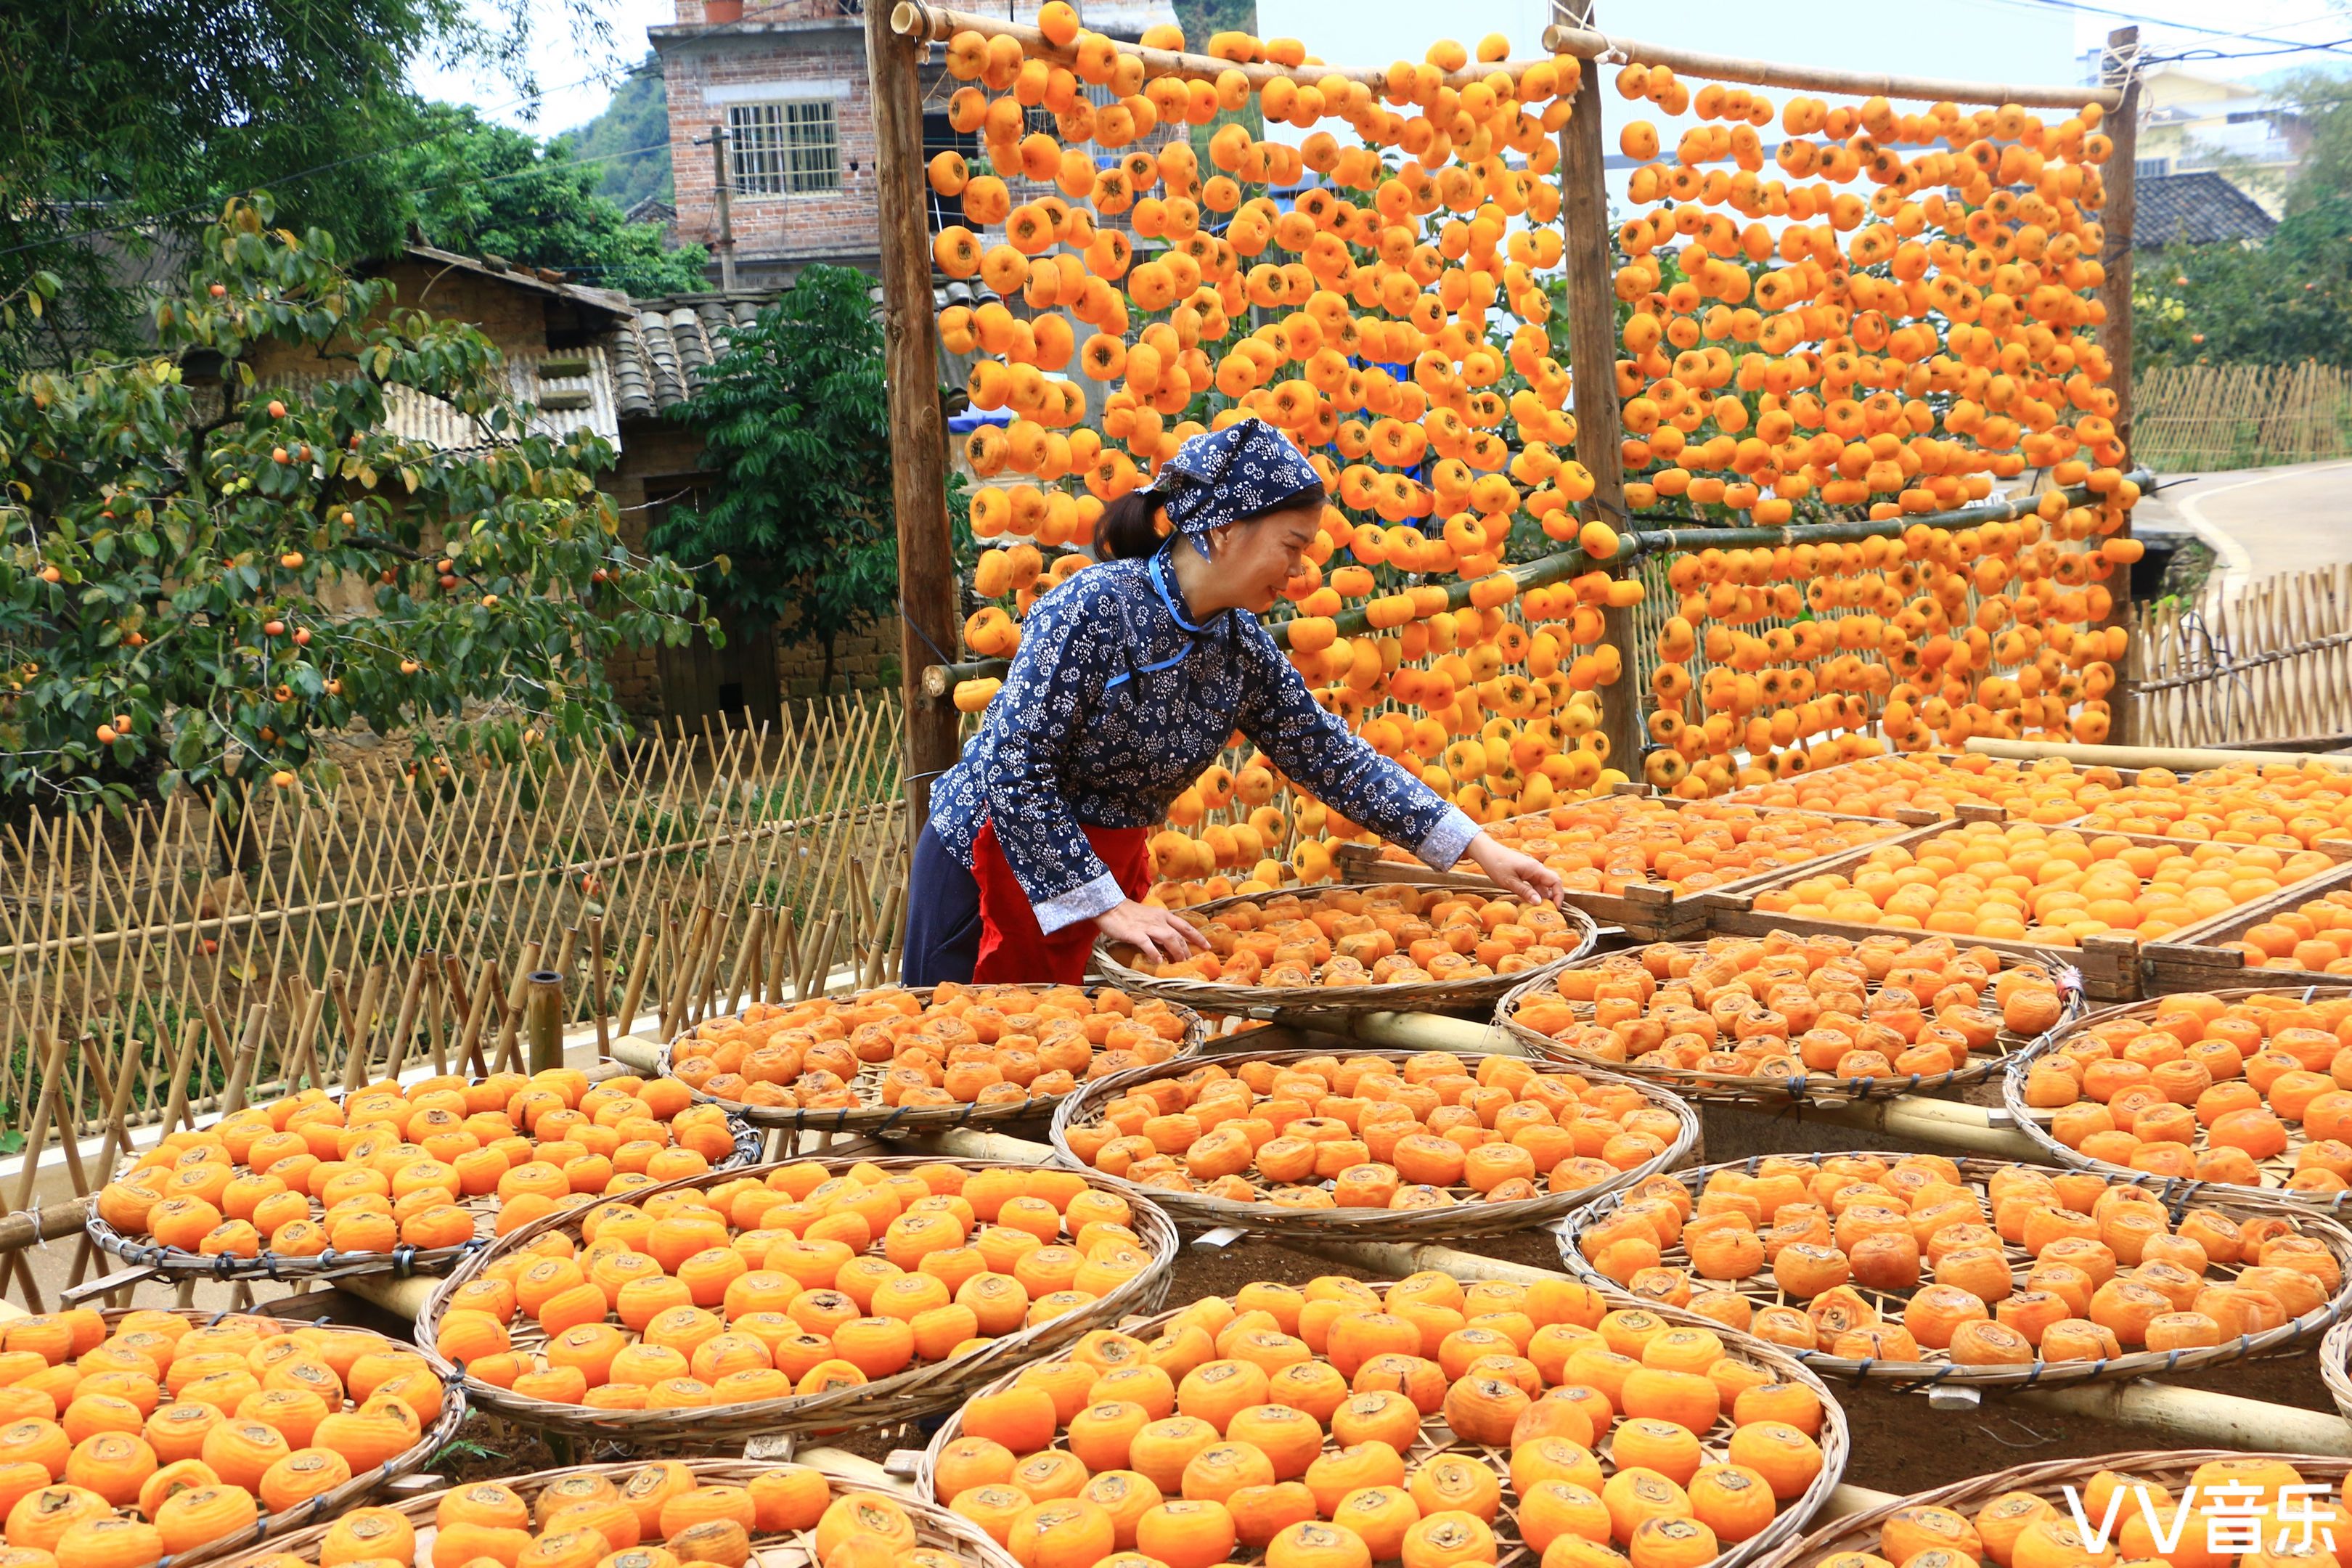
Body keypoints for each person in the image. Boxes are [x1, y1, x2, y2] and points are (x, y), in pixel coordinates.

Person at [902, 415, 1565, 986]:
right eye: (1293, 547)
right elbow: (1015, 764)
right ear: (1223, 530)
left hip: (1104, 883)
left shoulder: (1240, 645)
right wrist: (1101, 903)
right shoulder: (1093, 607)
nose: (1303, 571)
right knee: (957, 1058)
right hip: (996, 869)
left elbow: (1334, 759)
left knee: (1060, 1066)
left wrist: (1478, 847)